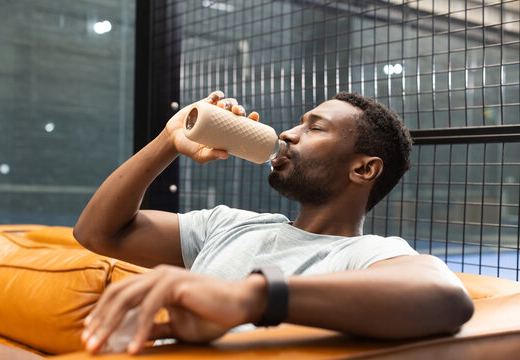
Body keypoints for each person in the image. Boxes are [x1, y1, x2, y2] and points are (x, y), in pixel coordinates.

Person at [74, 90, 474, 355]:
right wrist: (168, 139)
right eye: (299, 123)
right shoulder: (227, 224)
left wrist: (249, 298)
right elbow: (97, 232)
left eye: (315, 127)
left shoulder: (366, 254)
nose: (288, 133)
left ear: (364, 169)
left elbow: (446, 297)